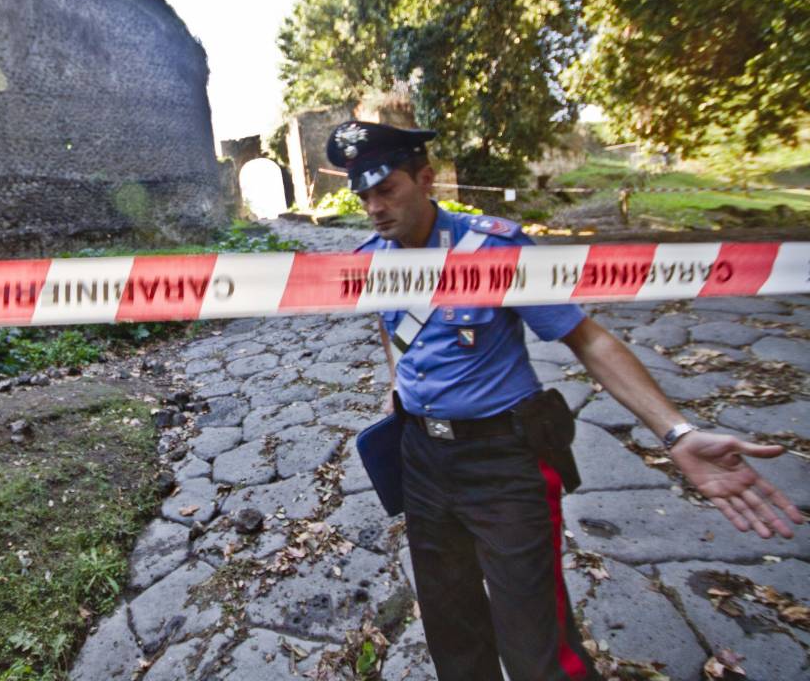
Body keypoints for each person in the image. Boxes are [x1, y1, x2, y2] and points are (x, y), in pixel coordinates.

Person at [326, 120, 805, 681]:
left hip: (503, 461)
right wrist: (398, 387)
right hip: (422, 461)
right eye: (364, 195)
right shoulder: (373, 258)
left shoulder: (495, 249)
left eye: (388, 190)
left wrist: (676, 433)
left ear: (426, 179)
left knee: (538, 649)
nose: (375, 207)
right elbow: (394, 329)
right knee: (452, 634)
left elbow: (590, 339)